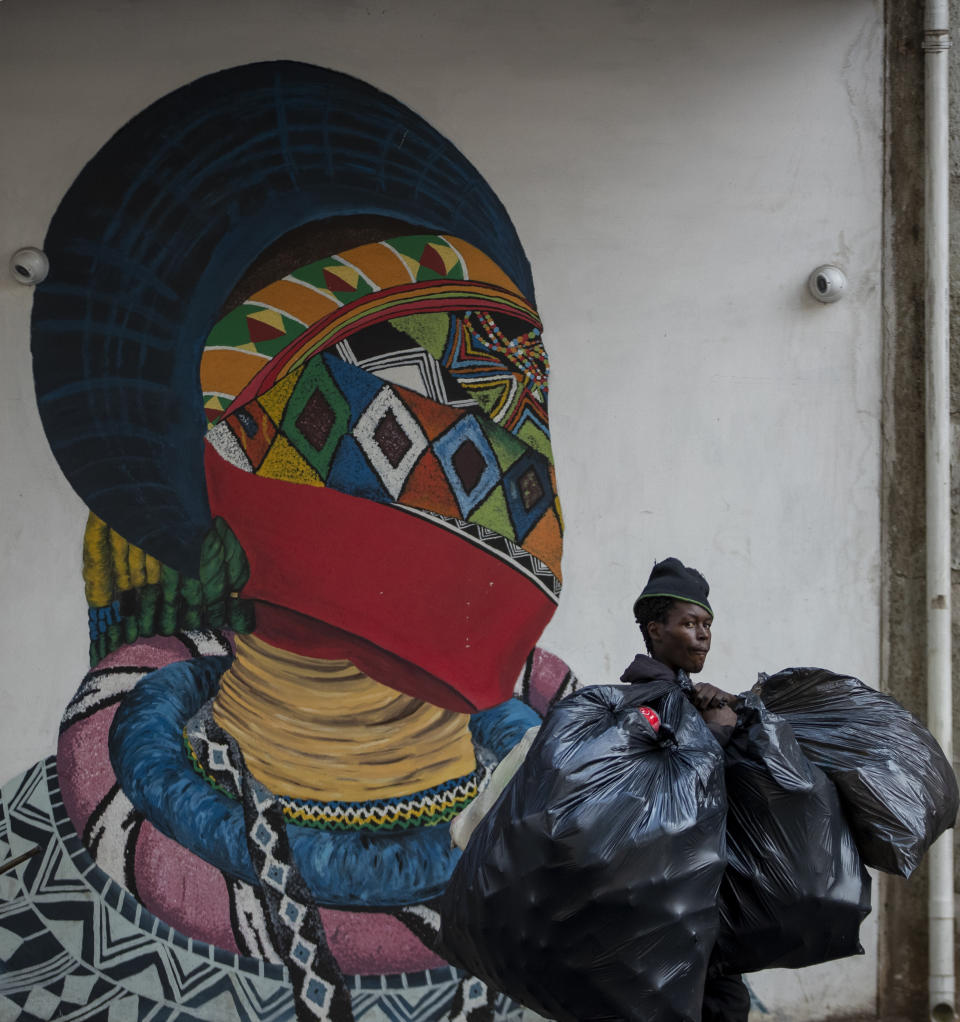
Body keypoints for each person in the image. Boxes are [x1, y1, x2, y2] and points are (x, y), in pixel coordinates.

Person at [621, 556, 752, 1022]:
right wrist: (716, 732)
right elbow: (661, 790)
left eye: (707, 624)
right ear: (656, 630)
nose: (703, 634)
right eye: (689, 623)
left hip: (696, 897)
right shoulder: (644, 704)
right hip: (664, 904)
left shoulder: (685, 695)